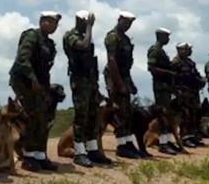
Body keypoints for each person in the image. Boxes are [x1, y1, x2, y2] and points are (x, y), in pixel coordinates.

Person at [10, 11, 62, 172]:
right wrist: (32, 79)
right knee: (32, 117)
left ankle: (40, 156)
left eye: (55, 24)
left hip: (39, 84)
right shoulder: (32, 37)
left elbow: (45, 69)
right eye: (50, 22)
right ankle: (28, 157)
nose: (53, 26)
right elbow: (22, 60)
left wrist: (44, 88)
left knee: (42, 118)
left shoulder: (49, 43)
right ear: (41, 21)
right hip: (24, 81)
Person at [63, 10, 112, 167]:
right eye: (85, 22)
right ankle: (79, 152)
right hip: (79, 81)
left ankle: (92, 149)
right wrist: (90, 27)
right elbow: (83, 46)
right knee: (81, 116)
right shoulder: (71, 36)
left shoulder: (85, 35)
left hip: (90, 81)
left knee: (93, 115)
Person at [104, 12, 142, 158]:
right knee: (119, 111)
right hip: (115, 77)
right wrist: (119, 84)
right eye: (125, 22)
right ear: (119, 20)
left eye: (130, 23)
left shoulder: (125, 39)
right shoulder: (113, 36)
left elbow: (126, 66)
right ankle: (121, 145)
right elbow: (112, 61)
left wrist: (130, 83)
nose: (128, 25)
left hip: (124, 76)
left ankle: (127, 142)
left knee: (127, 112)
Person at [147, 28, 180, 155]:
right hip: (160, 87)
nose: (168, 39)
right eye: (166, 36)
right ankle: (163, 144)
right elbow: (152, 68)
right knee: (162, 115)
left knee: (166, 115)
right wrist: (169, 73)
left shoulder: (161, 51)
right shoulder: (155, 50)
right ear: (160, 36)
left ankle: (165, 141)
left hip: (166, 87)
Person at [172, 43, 206, 147]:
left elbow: (195, 75)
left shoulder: (191, 63)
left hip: (193, 92)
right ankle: (184, 137)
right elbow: (172, 78)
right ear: (179, 50)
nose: (188, 51)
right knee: (184, 115)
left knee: (194, 114)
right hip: (182, 92)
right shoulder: (175, 63)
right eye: (186, 49)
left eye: (189, 49)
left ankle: (192, 136)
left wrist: (201, 81)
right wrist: (175, 91)